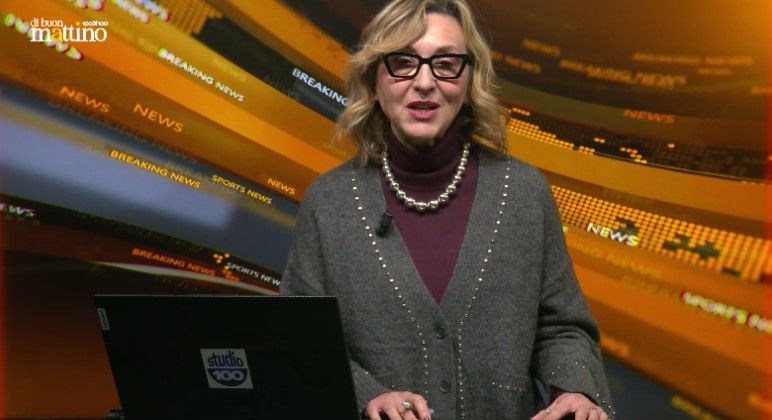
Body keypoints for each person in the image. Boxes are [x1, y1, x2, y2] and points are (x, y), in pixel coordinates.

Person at [280, 0, 614, 419]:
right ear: (374, 80)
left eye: (446, 64)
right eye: (403, 62)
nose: (424, 82)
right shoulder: (328, 202)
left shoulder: (524, 194)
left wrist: (576, 391)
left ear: (470, 81)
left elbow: (562, 327)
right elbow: (300, 343)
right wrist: (367, 397)